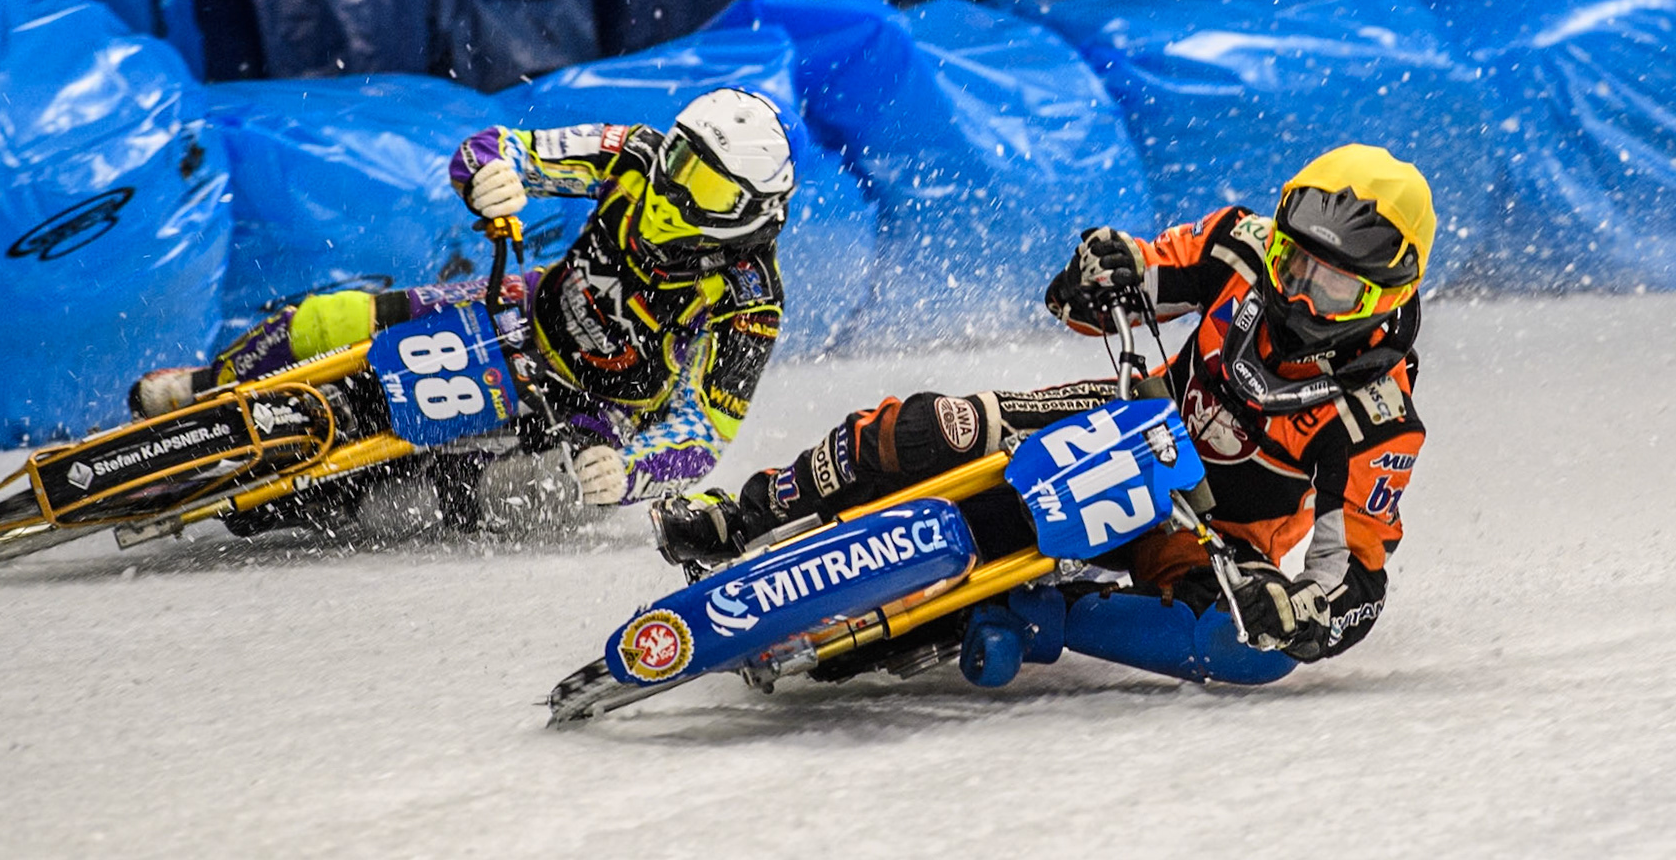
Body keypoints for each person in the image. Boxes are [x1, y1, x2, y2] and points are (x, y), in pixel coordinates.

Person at [651, 143, 1432, 684]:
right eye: (1294, 264)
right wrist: (1100, 268)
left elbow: (1356, 576)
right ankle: (746, 514)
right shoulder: (1240, 244)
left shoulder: (1380, 418)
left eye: (1333, 289)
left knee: (1248, 649)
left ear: (1384, 299)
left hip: (1209, 530)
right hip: (1128, 421)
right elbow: (1123, 283)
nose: (1299, 297)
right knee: (931, 429)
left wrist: (1301, 612)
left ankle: (1029, 611)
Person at [130, 87, 800, 524]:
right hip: (523, 311)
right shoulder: (634, 154)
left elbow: (705, 431)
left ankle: (296, 499)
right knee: (331, 319)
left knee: (474, 496)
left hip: (599, 412)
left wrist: (628, 472)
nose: (673, 188)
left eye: (706, 187)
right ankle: (206, 385)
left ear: (746, 214)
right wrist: (490, 176)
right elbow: (501, 146)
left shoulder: (750, 304)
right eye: (681, 160)